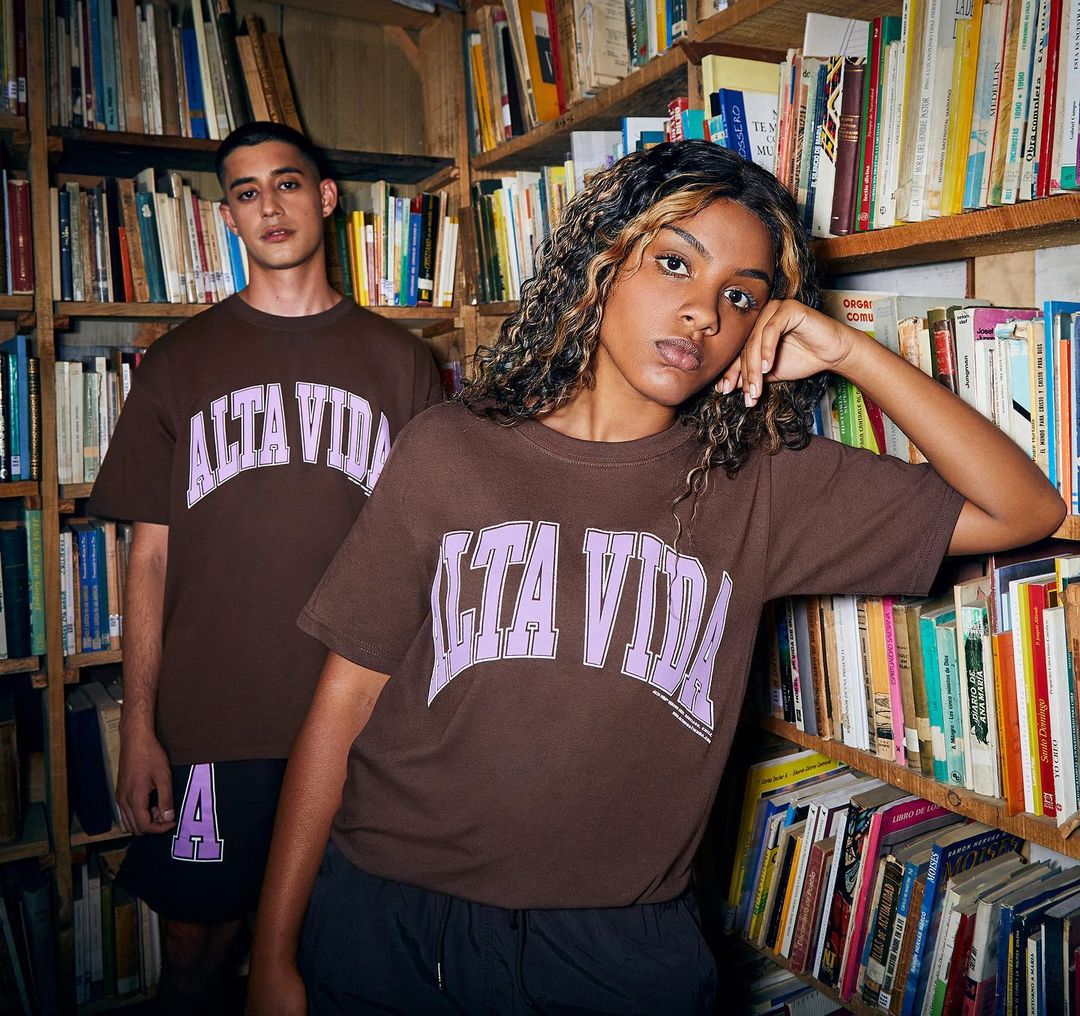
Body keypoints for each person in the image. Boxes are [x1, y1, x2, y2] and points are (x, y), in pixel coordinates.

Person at [247, 140, 1064, 1015]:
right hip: (391, 920)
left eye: (740, 296)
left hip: (619, 950)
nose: (703, 313)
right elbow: (347, 698)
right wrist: (273, 954)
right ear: (604, 261)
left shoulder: (763, 480)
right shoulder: (448, 449)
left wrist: (849, 351)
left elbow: (1024, 509)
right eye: (676, 263)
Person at [88, 121, 443, 1014]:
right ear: (228, 217)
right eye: (246, 192)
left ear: (325, 198)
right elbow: (149, 560)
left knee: (338, 957)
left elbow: (436, 557)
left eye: (287, 183)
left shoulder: (403, 364)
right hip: (212, 727)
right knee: (195, 954)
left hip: (361, 723)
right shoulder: (177, 364)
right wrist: (140, 729)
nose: (269, 206)